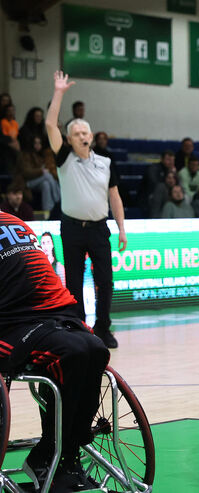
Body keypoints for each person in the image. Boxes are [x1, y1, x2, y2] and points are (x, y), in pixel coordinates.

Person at [0, 210, 109, 491]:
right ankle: (49, 453)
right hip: (11, 322)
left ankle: (68, 451)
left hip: (51, 311)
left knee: (96, 348)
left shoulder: (13, 221)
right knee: (70, 353)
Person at [46, 70, 127, 349]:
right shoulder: (64, 159)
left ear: (91, 135)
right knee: (75, 283)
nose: (81, 136)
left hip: (98, 228)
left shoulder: (105, 162)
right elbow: (50, 125)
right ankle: (79, 326)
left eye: (85, 132)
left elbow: (115, 198)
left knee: (105, 281)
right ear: (69, 139)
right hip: (71, 228)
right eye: (76, 133)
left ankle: (103, 328)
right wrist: (59, 92)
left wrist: (122, 229)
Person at [18, 135, 61, 214]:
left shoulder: (39, 155)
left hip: (38, 181)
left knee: (46, 184)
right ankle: (58, 198)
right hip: (27, 182)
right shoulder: (25, 155)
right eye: (35, 143)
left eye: (39, 143)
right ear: (31, 144)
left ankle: (48, 211)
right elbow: (26, 173)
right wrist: (41, 171)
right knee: (47, 175)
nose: (38, 145)